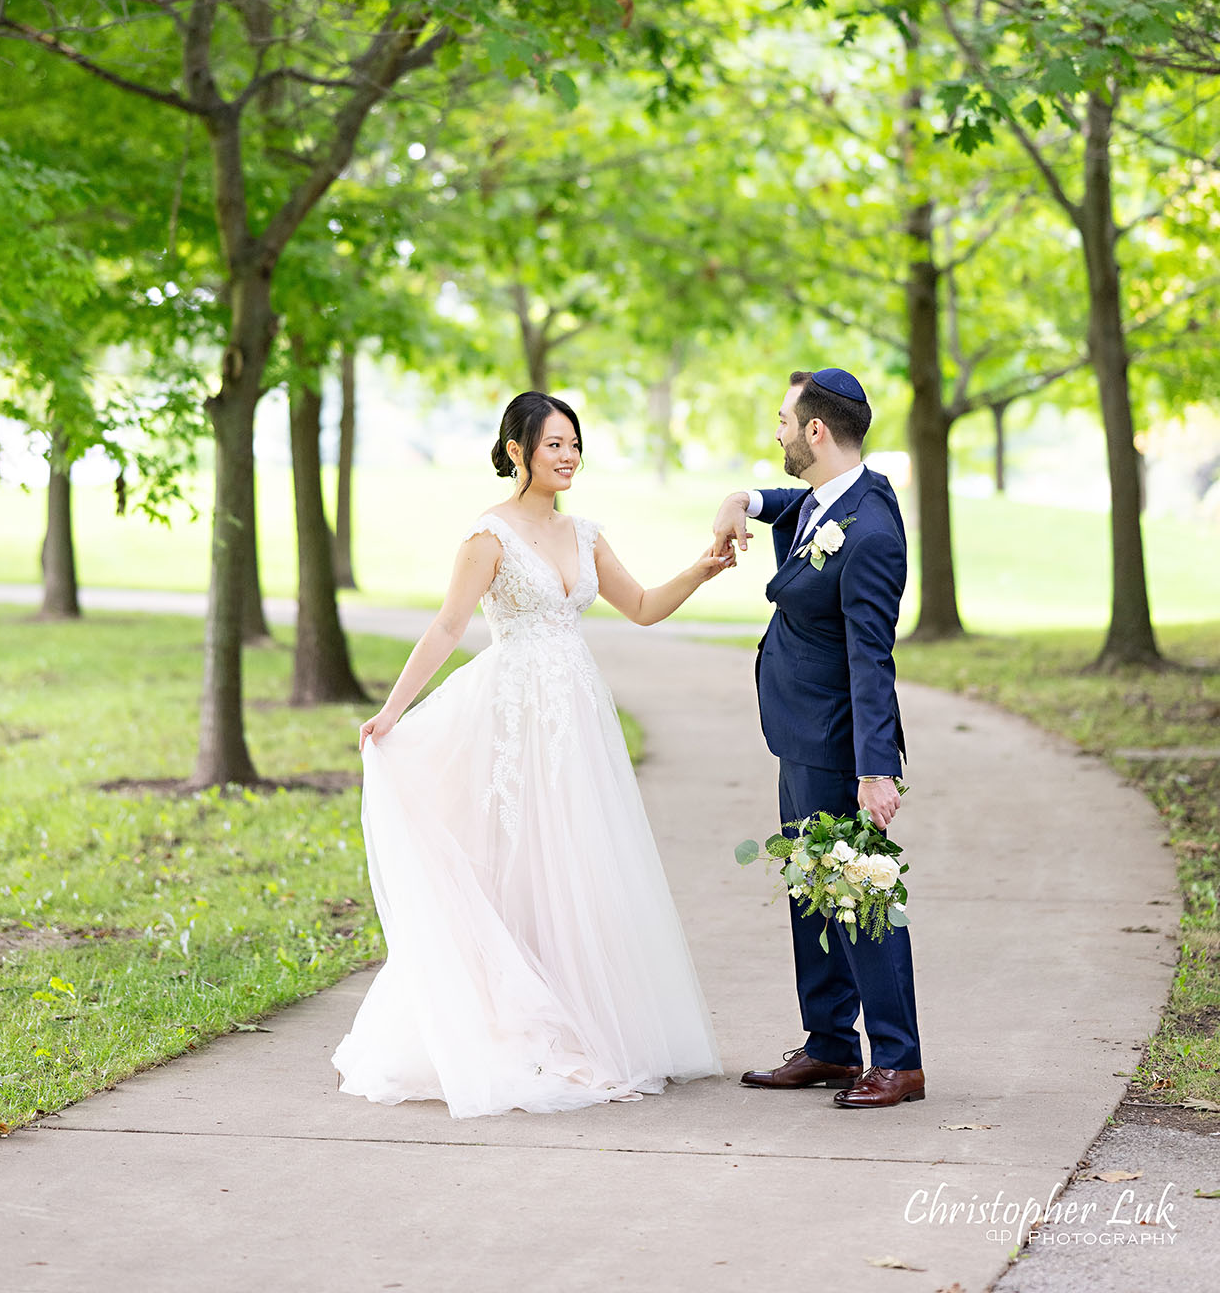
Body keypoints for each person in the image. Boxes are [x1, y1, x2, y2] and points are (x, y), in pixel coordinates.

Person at [332, 389, 727, 1118]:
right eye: (553, 444)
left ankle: (585, 1019)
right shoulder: (489, 536)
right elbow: (450, 625)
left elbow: (639, 607)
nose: (568, 455)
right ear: (517, 451)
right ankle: (512, 1020)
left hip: (577, 715)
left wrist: (702, 569)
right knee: (517, 860)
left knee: (578, 860)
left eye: (574, 443)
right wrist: (393, 710)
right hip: (513, 715)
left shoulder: (587, 534)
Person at [712, 366, 925, 1110]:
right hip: (800, 736)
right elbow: (795, 505)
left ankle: (897, 1060)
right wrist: (742, 500)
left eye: (781, 420)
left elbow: (873, 658)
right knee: (813, 894)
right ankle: (832, 1045)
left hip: (839, 744)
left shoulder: (868, 531)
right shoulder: (832, 498)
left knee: (862, 898)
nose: (773, 432)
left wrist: (875, 771)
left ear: (814, 431)